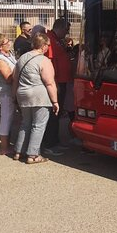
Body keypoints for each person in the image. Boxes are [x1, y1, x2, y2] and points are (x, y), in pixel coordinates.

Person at [12, 32, 59, 164]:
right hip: (39, 95)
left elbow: (15, 78)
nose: (48, 48)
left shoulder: (22, 58)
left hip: (22, 94)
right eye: (48, 45)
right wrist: (55, 101)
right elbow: (50, 83)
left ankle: (18, 151)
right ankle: (33, 155)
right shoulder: (44, 60)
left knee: (25, 123)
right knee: (38, 125)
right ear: (43, 46)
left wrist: (13, 95)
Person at [41, 18, 73, 156]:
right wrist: (54, 83)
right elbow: (50, 63)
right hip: (57, 82)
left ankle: (55, 141)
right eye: (66, 30)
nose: (66, 33)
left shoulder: (57, 40)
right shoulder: (50, 40)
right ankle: (49, 144)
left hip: (62, 81)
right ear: (60, 28)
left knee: (57, 114)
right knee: (53, 114)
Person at [0, 33, 17, 155]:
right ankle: (3, 147)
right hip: (5, 91)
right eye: (7, 43)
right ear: (0, 47)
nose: (10, 43)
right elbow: (8, 78)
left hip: (11, 90)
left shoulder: (9, 55)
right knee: (6, 117)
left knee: (9, 116)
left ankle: (6, 144)